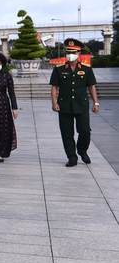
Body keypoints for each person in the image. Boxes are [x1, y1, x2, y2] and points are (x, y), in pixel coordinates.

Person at [50, 38, 100, 167]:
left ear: (79, 53)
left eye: (73, 52)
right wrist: (54, 102)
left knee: (85, 131)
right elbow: (54, 86)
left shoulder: (86, 69)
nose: (70, 54)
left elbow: (91, 86)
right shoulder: (59, 69)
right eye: (68, 52)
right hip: (64, 105)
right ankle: (71, 157)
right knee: (67, 133)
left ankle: (82, 150)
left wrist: (96, 103)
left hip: (81, 105)